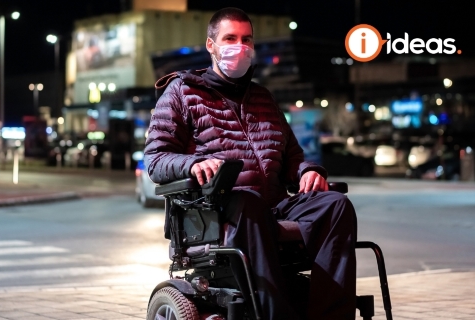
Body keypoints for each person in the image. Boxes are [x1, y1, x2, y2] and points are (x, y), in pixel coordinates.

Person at [144, 7, 357, 320]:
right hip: (216, 209)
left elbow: (292, 158)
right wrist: (191, 164)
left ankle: (331, 315)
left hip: (271, 205)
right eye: (230, 38)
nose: (240, 46)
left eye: (247, 39)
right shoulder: (182, 93)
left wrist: (308, 171)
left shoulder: (262, 98)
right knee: (249, 203)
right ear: (211, 45)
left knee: (336, 205)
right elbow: (156, 157)